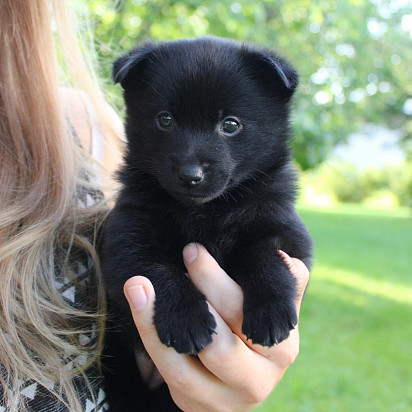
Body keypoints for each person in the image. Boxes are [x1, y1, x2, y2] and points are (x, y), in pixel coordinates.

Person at [0, 0, 310, 411]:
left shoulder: (83, 131)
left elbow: (287, 248)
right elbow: (130, 254)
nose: (192, 165)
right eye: (166, 122)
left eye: (229, 126)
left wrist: (267, 273)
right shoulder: (141, 195)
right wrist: (168, 286)